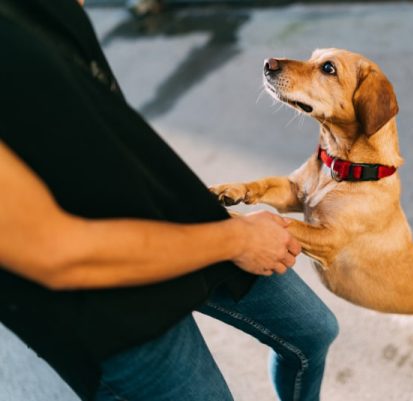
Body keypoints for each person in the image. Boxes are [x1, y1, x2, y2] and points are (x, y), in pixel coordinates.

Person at [0, 0, 339, 400]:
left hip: (170, 206)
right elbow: (55, 252)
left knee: (313, 332)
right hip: (110, 309)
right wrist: (239, 240)